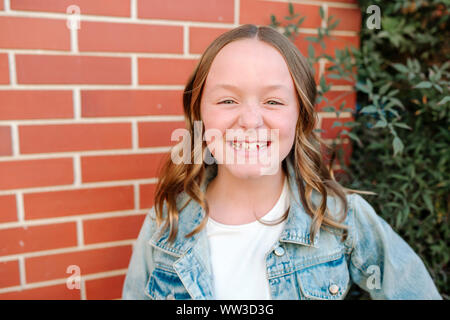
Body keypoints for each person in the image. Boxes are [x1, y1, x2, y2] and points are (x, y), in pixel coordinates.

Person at [121, 24, 441, 300]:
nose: (249, 120)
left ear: (300, 117)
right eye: (227, 100)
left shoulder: (340, 218)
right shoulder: (165, 224)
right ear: (199, 112)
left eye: (273, 101)